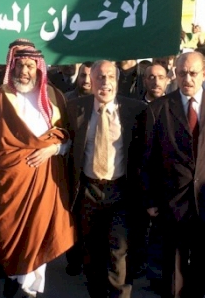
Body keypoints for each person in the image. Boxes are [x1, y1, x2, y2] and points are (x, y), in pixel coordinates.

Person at [0, 44, 75, 298]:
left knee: (40, 231)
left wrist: (53, 150)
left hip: (45, 181)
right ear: (12, 66)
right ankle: (13, 276)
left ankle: (31, 286)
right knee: (7, 233)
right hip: (9, 182)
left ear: (39, 69)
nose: (25, 71)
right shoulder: (0, 97)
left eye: (31, 66)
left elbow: (68, 138)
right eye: (21, 65)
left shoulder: (53, 97)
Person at [143, 52, 205, 297]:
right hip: (171, 202)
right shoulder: (158, 109)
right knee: (173, 275)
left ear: (204, 74)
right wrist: (150, 199)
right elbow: (146, 159)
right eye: (182, 73)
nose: (187, 78)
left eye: (193, 73)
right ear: (174, 74)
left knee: (201, 271)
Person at [66, 60, 146, 298]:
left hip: (120, 190)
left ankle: (119, 294)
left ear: (117, 80)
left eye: (110, 77)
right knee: (91, 252)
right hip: (88, 189)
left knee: (117, 251)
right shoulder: (75, 108)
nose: (105, 83)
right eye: (100, 77)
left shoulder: (136, 110)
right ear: (90, 81)